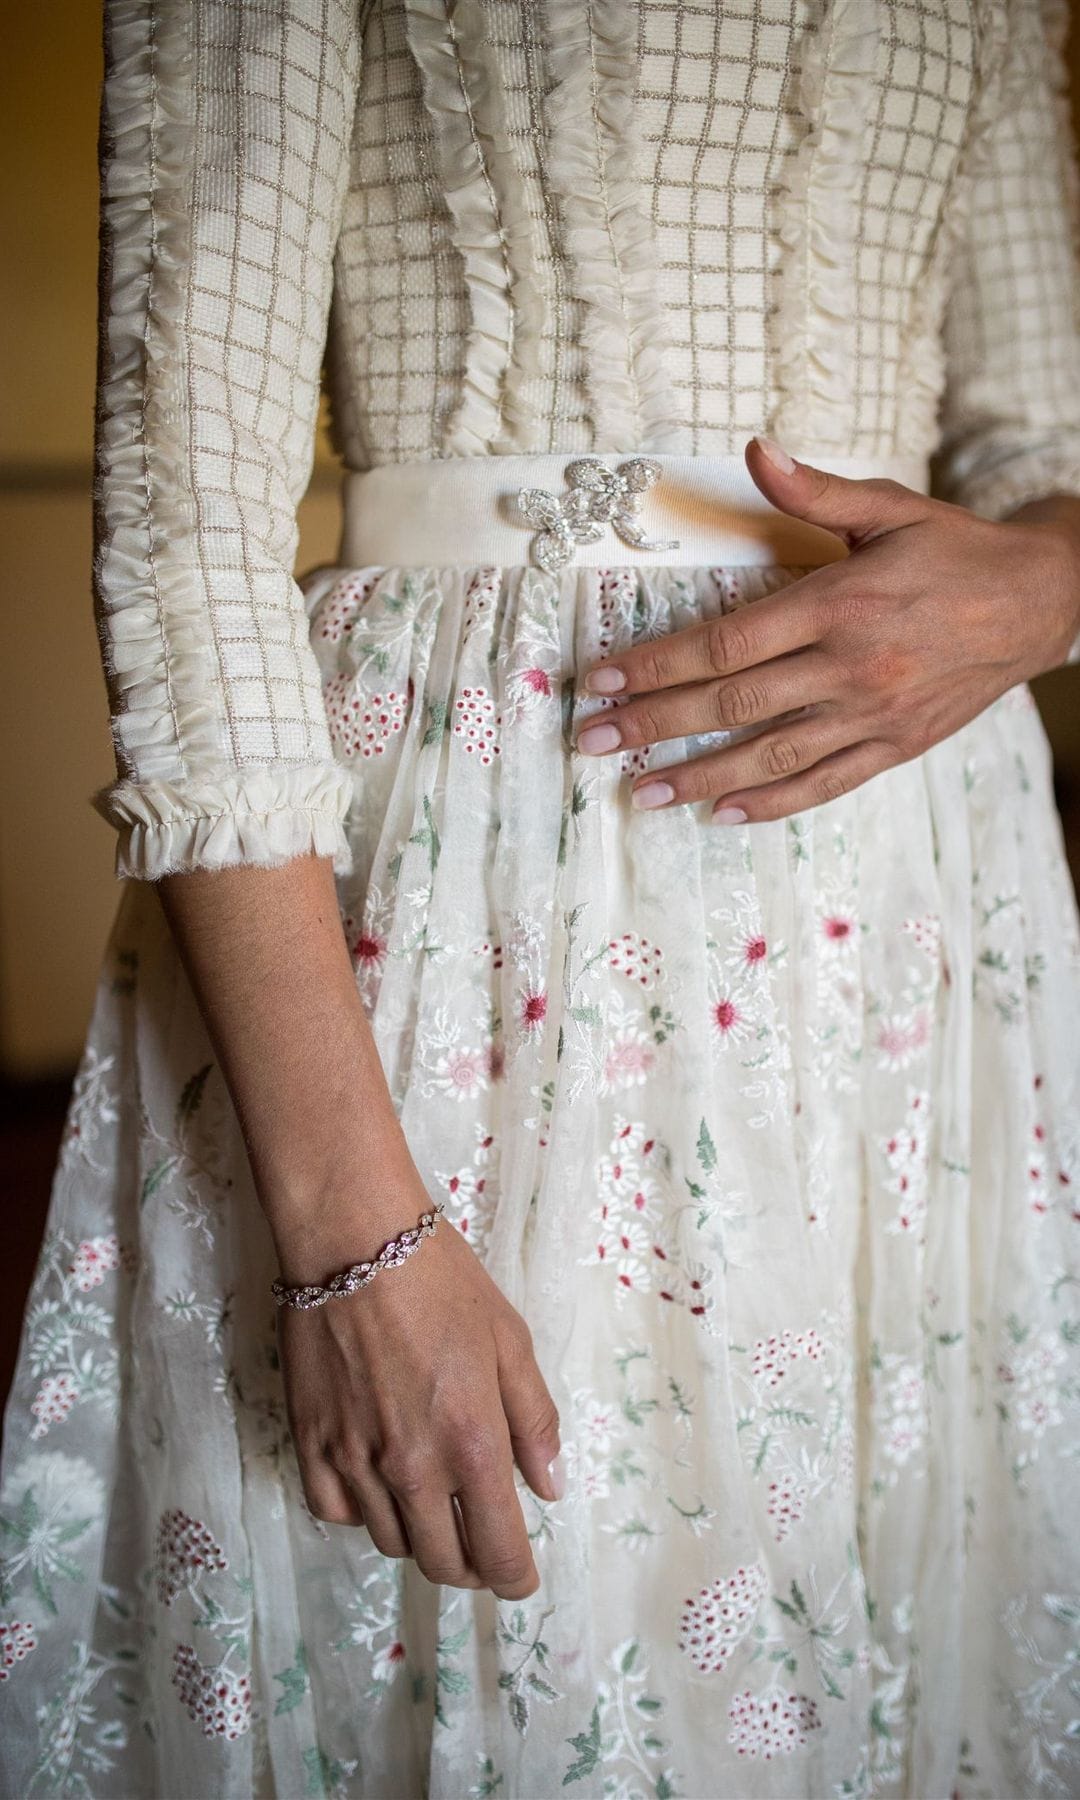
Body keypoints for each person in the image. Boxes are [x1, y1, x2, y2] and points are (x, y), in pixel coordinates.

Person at [2, 0, 1080, 1794]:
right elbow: (187, 506)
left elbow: (1049, 438)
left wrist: (1043, 592)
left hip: (915, 897)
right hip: (484, 885)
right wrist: (359, 1230)